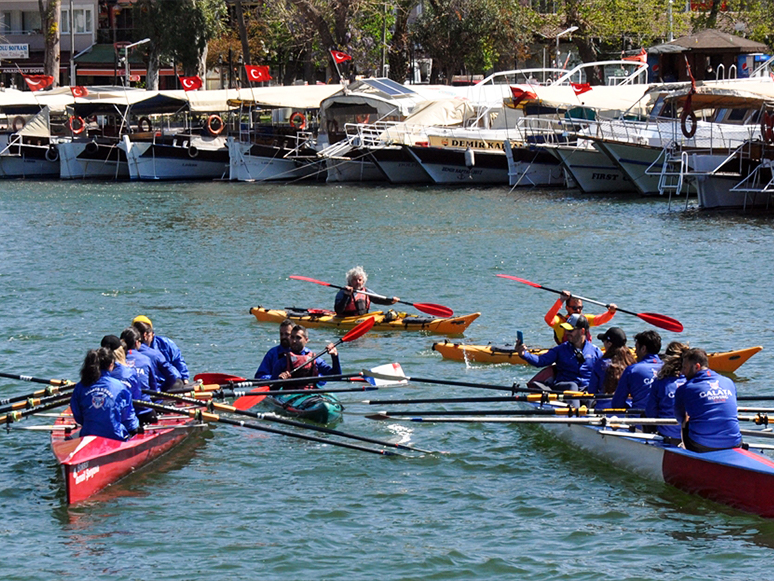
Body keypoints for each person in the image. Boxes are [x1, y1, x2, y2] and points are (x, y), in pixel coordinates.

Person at [674, 348, 742, 452]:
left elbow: (680, 418)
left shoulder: (685, 388)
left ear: (697, 367)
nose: (682, 372)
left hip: (701, 446)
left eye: (685, 368)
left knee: (685, 421)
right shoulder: (728, 382)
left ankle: (689, 454)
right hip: (735, 443)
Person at [69, 347, 140, 441]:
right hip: (115, 437)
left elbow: (78, 417)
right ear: (111, 365)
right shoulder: (120, 387)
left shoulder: (80, 386)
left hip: (88, 434)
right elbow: (128, 419)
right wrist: (135, 429)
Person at [517, 313, 601, 392]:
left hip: (586, 389)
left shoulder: (596, 352)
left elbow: (606, 372)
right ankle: (575, 407)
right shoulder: (560, 350)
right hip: (564, 387)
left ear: (582, 331)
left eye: (570, 330)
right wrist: (524, 354)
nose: (566, 333)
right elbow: (540, 361)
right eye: (566, 330)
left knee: (593, 388)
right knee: (573, 386)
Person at [101, 334, 155, 425]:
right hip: (138, 413)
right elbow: (137, 396)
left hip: (107, 416)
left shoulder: (95, 373)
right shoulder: (129, 372)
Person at [270, 324, 342, 387]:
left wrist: (334, 356)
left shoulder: (314, 359)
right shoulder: (283, 360)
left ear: (306, 340)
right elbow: (272, 388)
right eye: (292, 337)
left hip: (311, 394)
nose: (294, 341)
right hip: (290, 395)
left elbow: (337, 377)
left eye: (298, 338)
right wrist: (279, 380)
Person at [646, 342, 688, 445]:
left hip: (668, 436)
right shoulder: (693, 381)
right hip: (691, 438)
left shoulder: (660, 382)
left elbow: (650, 413)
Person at [610, 330, 663, 410]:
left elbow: (617, 404)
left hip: (639, 418)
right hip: (665, 419)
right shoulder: (670, 369)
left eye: (637, 348)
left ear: (643, 349)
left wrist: (630, 407)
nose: (635, 351)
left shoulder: (632, 370)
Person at [587, 327, 636, 409]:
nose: (603, 344)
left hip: (604, 408)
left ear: (609, 344)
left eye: (604, 341)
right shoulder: (632, 364)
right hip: (628, 408)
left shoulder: (600, 364)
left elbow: (591, 391)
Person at [544, 290, 617, 344]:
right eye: (575, 308)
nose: (578, 310)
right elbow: (548, 319)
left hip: (585, 353)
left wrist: (611, 312)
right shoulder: (560, 321)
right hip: (567, 354)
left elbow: (601, 319)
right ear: (567, 308)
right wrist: (561, 300)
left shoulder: (585, 319)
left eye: (580, 308)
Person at [132, 315, 189, 382]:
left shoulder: (166, 343)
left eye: (147, 334)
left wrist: (185, 379)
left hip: (168, 382)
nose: (144, 338)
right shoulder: (130, 348)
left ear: (151, 333)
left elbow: (178, 361)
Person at [334, 266, 399, 317]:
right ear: (350, 281)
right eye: (355, 280)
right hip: (346, 319)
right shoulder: (343, 292)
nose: (357, 282)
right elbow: (338, 310)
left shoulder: (366, 291)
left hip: (362, 318)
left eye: (360, 280)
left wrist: (391, 300)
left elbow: (379, 300)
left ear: (363, 281)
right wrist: (346, 295)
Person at [121, 326, 158, 393]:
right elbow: (153, 387)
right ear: (136, 343)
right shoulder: (146, 360)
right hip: (143, 400)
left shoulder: (115, 361)